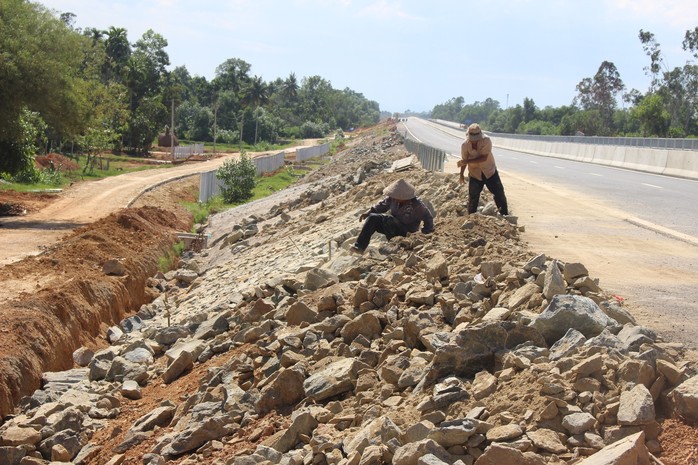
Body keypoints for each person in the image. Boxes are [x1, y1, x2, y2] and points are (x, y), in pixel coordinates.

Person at [350, 179, 434, 254]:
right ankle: (359, 246)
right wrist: (369, 212)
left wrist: (426, 232)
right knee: (373, 217)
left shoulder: (417, 205)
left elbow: (428, 217)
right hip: (392, 227)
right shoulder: (392, 199)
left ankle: (395, 245)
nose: (395, 198)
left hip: (407, 232)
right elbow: (382, 205)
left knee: (388, 219)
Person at [458, 123, 509, 215]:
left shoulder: (486, 141)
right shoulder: (464, 145)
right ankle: (471, 217)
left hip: (489, 172)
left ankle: (505, 215)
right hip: (475, 174)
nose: (474, 141)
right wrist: (461, 174)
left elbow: (484, 158)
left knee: (499, 193)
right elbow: (463, 161)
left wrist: (467, 161)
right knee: (473, 197)